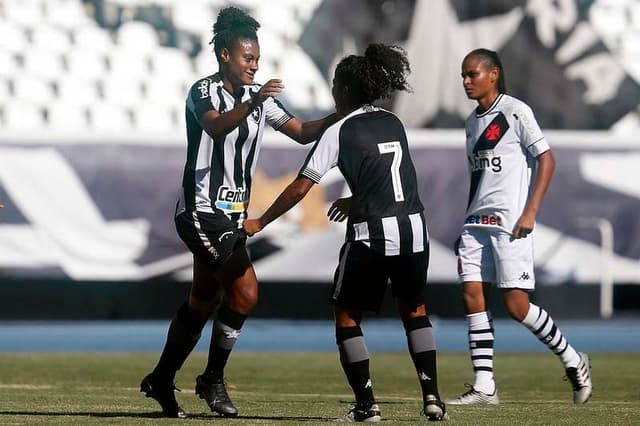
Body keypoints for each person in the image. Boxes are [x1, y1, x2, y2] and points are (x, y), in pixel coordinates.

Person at [139, 6, 337, 419]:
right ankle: (212, 379)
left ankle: (160, 378)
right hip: (200, 210)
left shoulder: (257, 96)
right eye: (248, 59)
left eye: (258, 61)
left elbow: (301, 133)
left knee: (202, 300)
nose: (254, 67)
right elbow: (215, 127)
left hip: (230, 216)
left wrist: (345, 112)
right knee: (245, 291)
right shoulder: (203, 91)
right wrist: (254, 102)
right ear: (225, 55)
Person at [243, 43, 447, 422]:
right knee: (415, 311)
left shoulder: (339, 130)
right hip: (414, 229)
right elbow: (394, 176)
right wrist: (355, 198)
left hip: (371, 233)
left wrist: (260, 222)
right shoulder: (392, 121)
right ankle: (432, 398)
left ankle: (367, 406)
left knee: (347, 316)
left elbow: (301, 187)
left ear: (346, 90)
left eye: (336, 84)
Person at [446, 48, 593, 406]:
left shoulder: (515, 111)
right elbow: (478, 178)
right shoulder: (471, 122)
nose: (466, 81)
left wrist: (531, 211)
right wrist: (467, 218)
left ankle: (573, 359)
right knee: (471, 295)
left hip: (510, 224)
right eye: (463, 75)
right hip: (476, 223)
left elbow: (547, 159)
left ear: (493, 74)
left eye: (472, 74)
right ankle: (485, 386)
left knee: (516, 306)